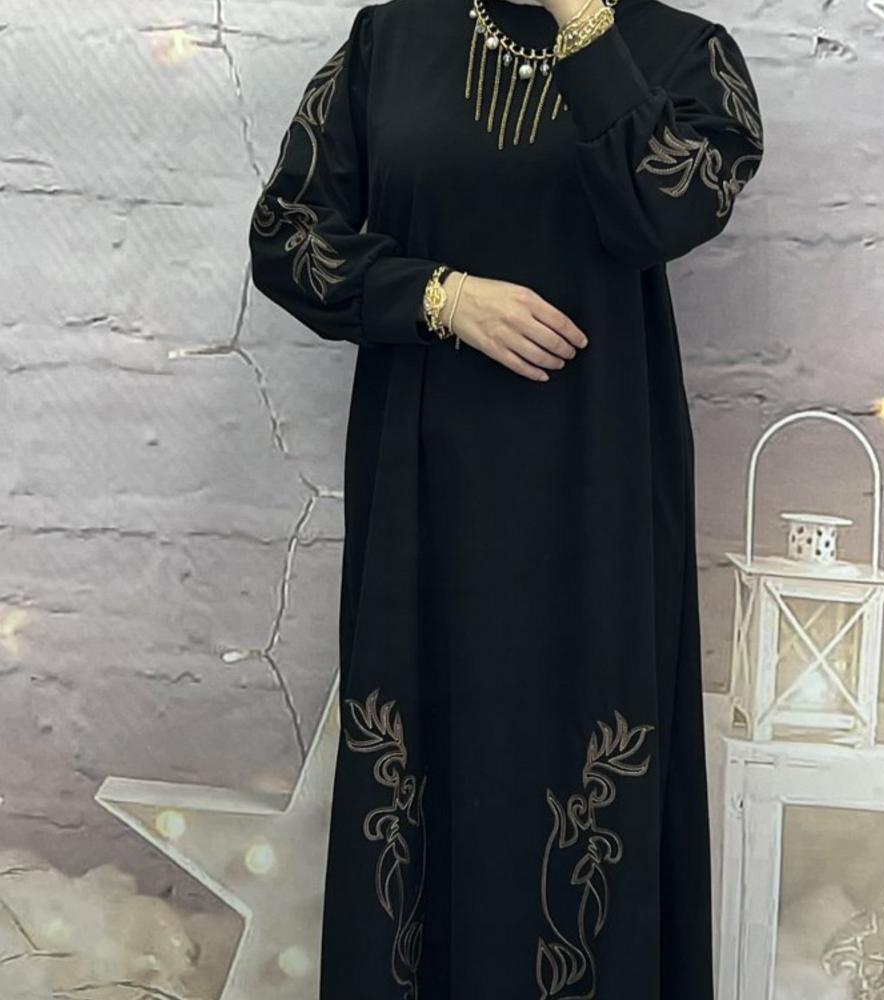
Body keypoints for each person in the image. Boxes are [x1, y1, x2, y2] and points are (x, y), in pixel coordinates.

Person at [248, 0, 763, 995]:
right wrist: (438, 296)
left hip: (594, 488)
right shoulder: (391, 42)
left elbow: (661, 212)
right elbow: (286, 234)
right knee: (426, 754)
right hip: (426, 492)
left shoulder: (685, 56)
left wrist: (584, 27)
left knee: (580, 769)